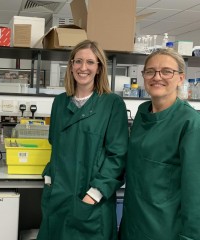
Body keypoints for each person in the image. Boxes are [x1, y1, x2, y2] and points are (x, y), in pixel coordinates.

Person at [36, 40, 128, 240]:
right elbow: (55, 144)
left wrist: (94, 194)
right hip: (58, 195)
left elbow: (118, 155)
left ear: (99, 68)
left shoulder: (112, 104)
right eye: (78, 61)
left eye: (90, 62)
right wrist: (49, 178)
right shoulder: (60, 102)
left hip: (91, 198)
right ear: (70, 66)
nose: (83, 67)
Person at [119, 48, 200, 239]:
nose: (157, 77)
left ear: (181, 78)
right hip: (132, 225)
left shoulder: (190, 123)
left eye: (166, 71)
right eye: (150, 71)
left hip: (164, 230)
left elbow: (195, 192)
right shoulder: (142, 113)